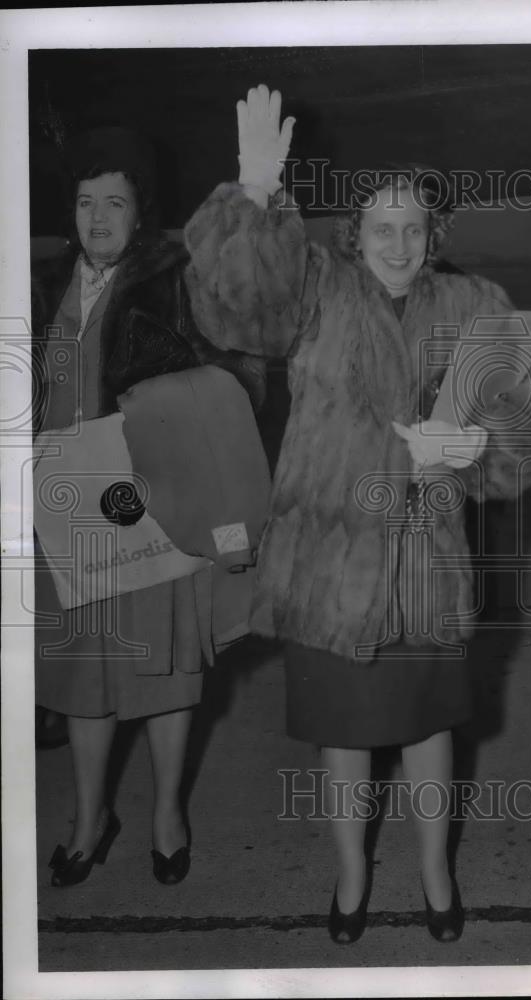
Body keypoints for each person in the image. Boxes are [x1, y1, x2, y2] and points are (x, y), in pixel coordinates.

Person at [184, 85, 531, 942]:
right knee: (342, 738)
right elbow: (239, 305)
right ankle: (351, 877)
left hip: (426, 569)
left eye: (415, 228)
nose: (397, 244)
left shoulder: (476, 308)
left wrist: (469, 454)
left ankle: (434, 871)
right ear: (355, 232)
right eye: (381, 227)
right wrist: (255, 193)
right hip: (330, 571)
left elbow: (524, 437)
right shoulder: (315, 287)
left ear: (435, 238)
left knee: (428, 733)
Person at [33, 126, 265, 888]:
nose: (97, 218)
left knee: (163, 668)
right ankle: (90, 819)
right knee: (82, 674)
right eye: (84, 202)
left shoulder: (174, 279)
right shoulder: (41, 283)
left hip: (149, 503)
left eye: (115, 203)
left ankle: (168, 812)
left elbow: (230, 377)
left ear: (141, 215)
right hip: (67, 502)